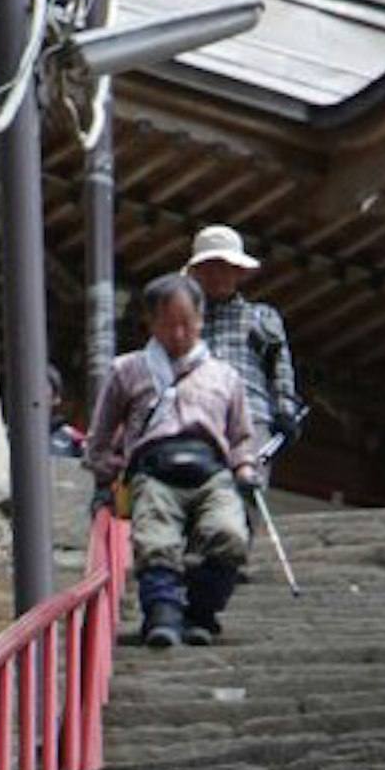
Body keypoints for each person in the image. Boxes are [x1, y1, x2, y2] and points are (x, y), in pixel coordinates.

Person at [82, 271, 265, 647]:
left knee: (230, 536)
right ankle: (161, 616)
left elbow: (242, 437)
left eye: (187, 324)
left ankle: (201, 613)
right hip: (153, 471)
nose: (179, 334)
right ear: (151, 323)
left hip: (212, 472)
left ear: (200, 320)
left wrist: (245, 467)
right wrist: (113, 473)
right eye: (168, 325)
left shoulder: (224, 376)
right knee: (156, 542)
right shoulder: (126, 370)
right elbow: (98, 439)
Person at [187, 223, 305, 470]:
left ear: (239, 272)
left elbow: (280, 369)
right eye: (209, 268)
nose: (217, 275)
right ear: (197, 273)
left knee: (246, 488)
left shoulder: (261, 317)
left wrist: (285, 410)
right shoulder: (185, 322)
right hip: (195, 417)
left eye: (224, 268)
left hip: (251, 416)